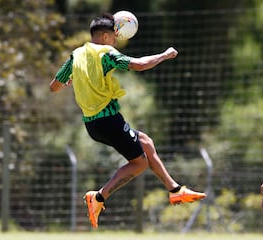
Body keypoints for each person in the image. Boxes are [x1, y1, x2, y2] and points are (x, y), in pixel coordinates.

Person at [50, 13, 206, 228]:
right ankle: (98, 197)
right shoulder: (107, 53)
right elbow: (139, 65)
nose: (116, 41)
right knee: (140, 162)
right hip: (109, 120)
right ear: (105, 36)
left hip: (92, 125)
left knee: (146, 142)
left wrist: (71, 80)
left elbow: (54, 86)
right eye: (114, 37)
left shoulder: (76, 55)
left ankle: (175, 190)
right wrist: (164, 55)